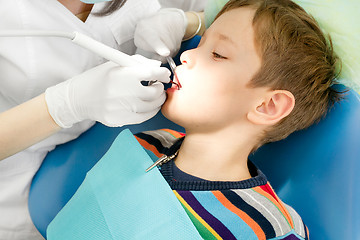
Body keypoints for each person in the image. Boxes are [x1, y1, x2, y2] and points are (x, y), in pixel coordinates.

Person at [133, 0, 341, 238]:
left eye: (217, 54)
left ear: (268, 105)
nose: (187, 55)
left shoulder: (273, 229)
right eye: (200, 43)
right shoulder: (147, 144)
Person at [0, 0, 205, 239]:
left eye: (218, 54)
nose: (189, 59)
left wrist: (189, 22)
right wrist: (63, 105)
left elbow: (234, 17)